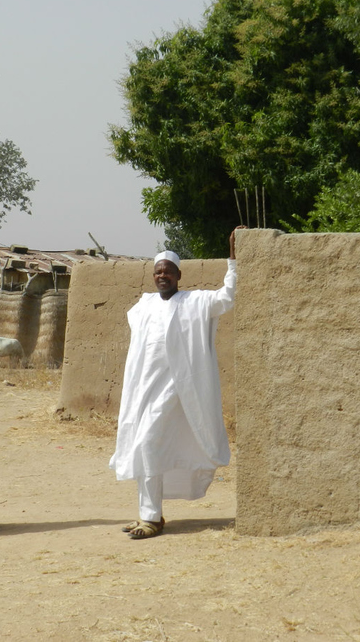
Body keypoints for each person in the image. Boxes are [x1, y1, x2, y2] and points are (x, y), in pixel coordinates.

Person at [110, 227, 245, 539]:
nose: (162, 276)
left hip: (179, 392)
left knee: (147, 445)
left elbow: (227, 297)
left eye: (168, 271)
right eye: (158, 271)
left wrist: (233, 261)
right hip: (147, 391)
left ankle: (151, 517)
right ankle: (150, 516)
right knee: (146, 449)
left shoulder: (194, 302)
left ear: (178, 275)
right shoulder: (143, 307)